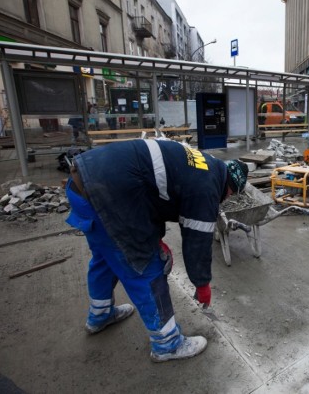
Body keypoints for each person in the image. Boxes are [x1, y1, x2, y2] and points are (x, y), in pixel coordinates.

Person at [64, 139, 249, 362]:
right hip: (105, 194)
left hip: (83, 183)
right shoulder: (207, 188)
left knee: (108, 256)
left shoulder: (202, 163)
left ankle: (100, 314)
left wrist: (156, 238)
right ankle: (167, 344)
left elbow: (152, 196)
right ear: (229, 186)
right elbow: (197, 243)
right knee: (146, 266)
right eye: (230, 194)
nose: (227, 198)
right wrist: (202, 284)